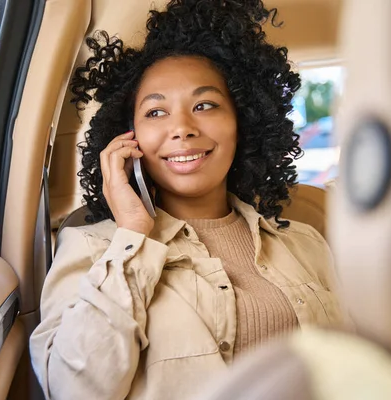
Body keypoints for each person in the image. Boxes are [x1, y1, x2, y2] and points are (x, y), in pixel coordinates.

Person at [31, 1, 348, 399]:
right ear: (129, 139)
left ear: (242, 122)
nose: (181, 128)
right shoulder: (92, 249)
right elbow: (75, 390)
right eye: (156, 112)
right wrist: (133, 234)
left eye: (204, 105)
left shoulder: (307, 243)